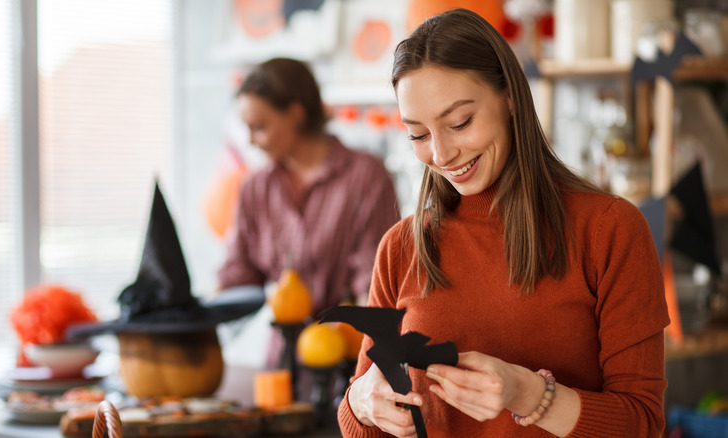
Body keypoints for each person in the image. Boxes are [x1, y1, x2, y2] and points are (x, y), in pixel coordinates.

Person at [338, 8, 669, 438]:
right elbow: (366, 414)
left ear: (511, 97)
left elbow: (642, 423)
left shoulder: (609, 229)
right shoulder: (402, 246)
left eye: (459, 123)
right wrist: (359, 405)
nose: (440, 155)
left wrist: (531, 395)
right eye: (418, 134)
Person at [216, 58, 401, 378]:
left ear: (297, 114)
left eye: (259, 127)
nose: (250, 141)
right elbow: (238, 276)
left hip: (347, 363)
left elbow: (373, 286)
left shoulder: (365, 177)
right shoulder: (254, 188)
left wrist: (374, 372)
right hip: (281, 369)